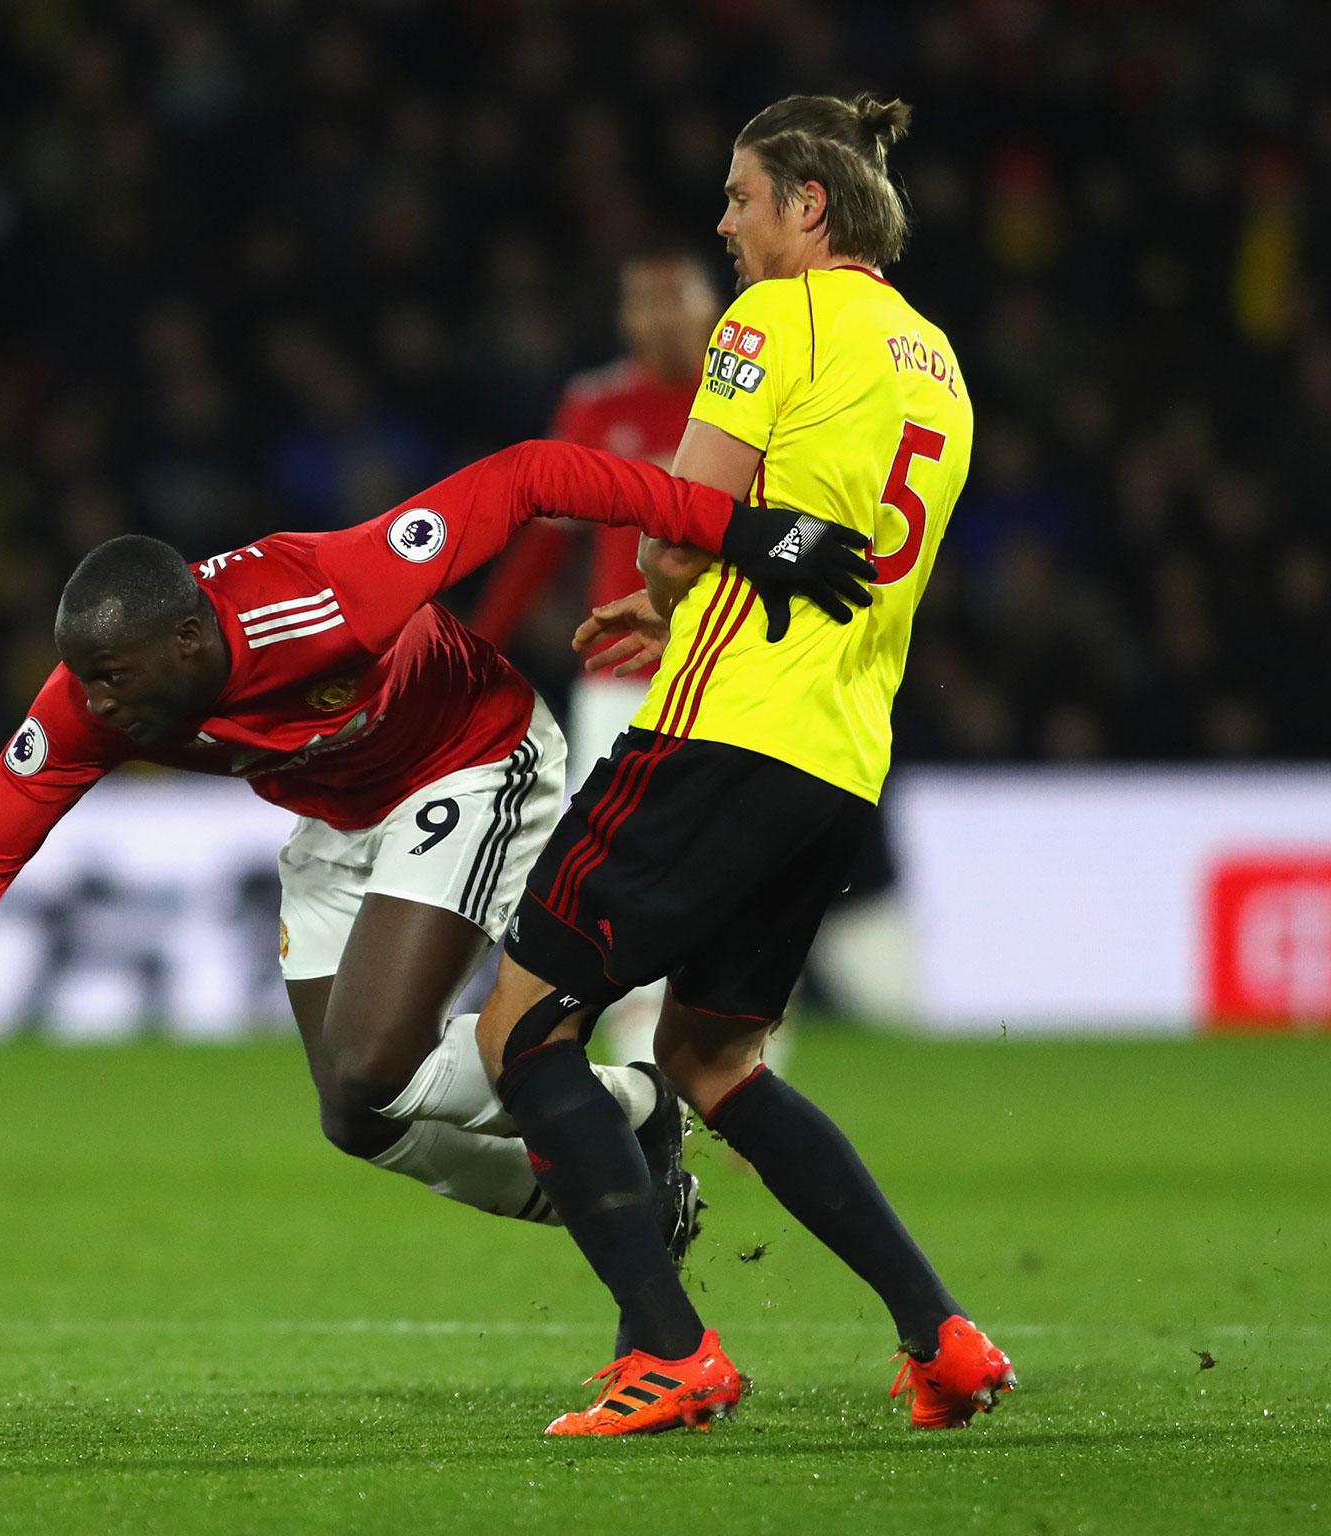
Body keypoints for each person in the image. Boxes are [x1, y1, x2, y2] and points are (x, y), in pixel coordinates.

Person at [0, 439, 873, 1283]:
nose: (93, 705)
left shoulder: (326, 593)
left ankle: (633, 1107)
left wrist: (744, 534)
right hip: (336, 816)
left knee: (374, 1058)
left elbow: (530, 475)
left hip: (471, 759)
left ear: (186, 644)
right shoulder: (94, 705)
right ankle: (617, 1172)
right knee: (355, 1116)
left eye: (111, 678)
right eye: (81, 680)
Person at [465, 93, 1014, 1437]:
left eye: (742, 196)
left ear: (809, 206)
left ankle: (668, 1348)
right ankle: (941, 1335)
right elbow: (814, 536)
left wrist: (667, 584)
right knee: (715, 1057)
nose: (725, 223)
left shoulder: (770, 319)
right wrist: (683, 598)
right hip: (839, 758)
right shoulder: (936, 357)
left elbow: (679, 517)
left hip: (720, 732)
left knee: (520, 1027)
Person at [470, 251, 722, 1064]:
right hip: (619, 673)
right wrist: (482, 644)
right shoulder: (596, 403)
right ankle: (635, 1039)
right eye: (643, 304)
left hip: (726, 666)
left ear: (709, 306)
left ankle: (727, 1042)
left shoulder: (743, 398)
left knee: (718, 857)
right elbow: (547, 537)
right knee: (608, 864)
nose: (660, 319)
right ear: (624, 319)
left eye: (674, 300)